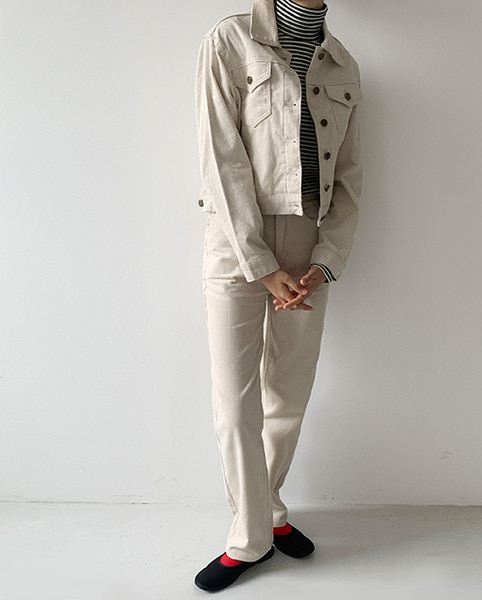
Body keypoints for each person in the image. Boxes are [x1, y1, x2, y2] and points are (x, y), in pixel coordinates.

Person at [193, 0, 364, 591]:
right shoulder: (230, 39)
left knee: (289, 391)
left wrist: (325, 261)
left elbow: (350, 178)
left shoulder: (342, 63)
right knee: (235, 399)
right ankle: (249, 538)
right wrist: (262, 266)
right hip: (236, 239)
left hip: (307, 238)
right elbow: (220, 158)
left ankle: (267, 510)